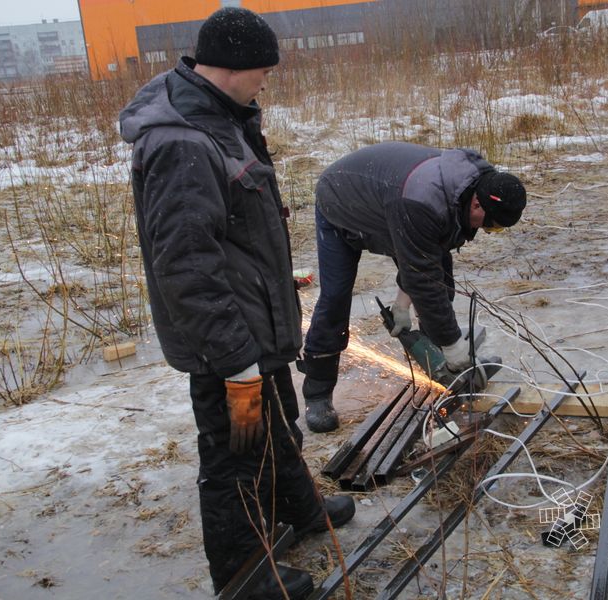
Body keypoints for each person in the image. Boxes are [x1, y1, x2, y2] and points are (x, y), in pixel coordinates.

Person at [119, 8, 354, 599]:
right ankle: (245, 576)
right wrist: (233, 358)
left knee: (278, 425)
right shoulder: (181, 142)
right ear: (232, 67)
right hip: (225, 338)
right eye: (263, 71)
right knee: (232, 456)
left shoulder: (224, 119)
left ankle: (298, 509)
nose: (267, 81)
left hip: (258, 318)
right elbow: (186, 264)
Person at [300, 142, 527, 432]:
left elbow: (427, 266)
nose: (485, 232)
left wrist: (403, 303)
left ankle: (441, 367)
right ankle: (317, 392)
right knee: (335, 299)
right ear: (477, 203)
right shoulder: (423, 201)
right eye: (489, 226)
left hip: (389, 202)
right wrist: (454, 344)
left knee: (439, 285)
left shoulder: (470, 187)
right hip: (341, 203)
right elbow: (420, 275)